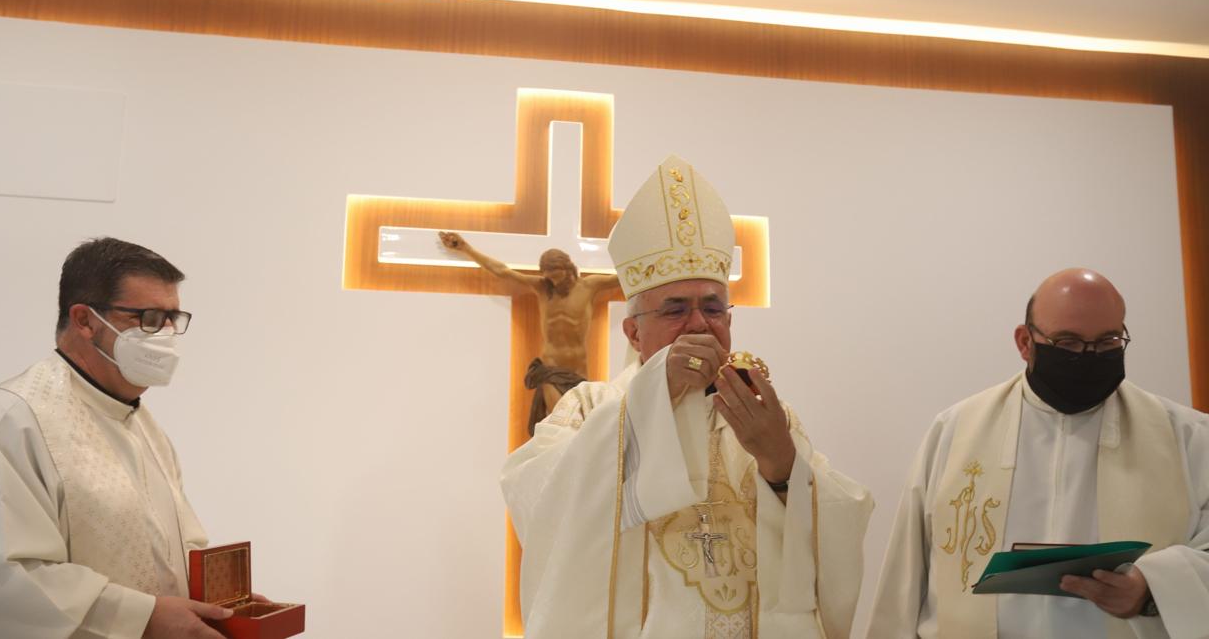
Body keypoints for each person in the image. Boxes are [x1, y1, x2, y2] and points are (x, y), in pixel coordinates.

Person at [501, 155, 873, 638]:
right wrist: (653, 401)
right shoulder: (589, 409)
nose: (699, 323)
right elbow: (537, 498)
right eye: (676, 309)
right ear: (634, 333)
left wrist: (782, 466)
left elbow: (839, 523)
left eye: (714, 307)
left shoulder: (762, 412)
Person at [865, 268, 1209, 639]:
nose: (1089, 356)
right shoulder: (954, 431)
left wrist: (1153, 588)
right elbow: (907, 569)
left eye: (1108, 341)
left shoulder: (1185, 436)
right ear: (1025, 342)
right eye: (1068, 343)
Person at [0, 237, 235, 638]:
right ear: (85, 320)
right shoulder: (9, 420)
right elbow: (3, 580)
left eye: (173, 319)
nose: (165, 336)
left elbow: (176, 546)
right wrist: (142, 618)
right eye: (148, 318)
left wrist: (224, 602)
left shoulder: (142, 424)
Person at [439, 231, 620, 433]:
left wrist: (657, 262)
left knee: (579, 430)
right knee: (562, 425)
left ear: (567, 267)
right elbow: (502, 271)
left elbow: (622, 277)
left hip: (578, 374)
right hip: (551, 371)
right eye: (549, 278)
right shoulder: (542, 288)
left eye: (557, 277)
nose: (554, 283)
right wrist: (465, 248)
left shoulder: (589, 286)